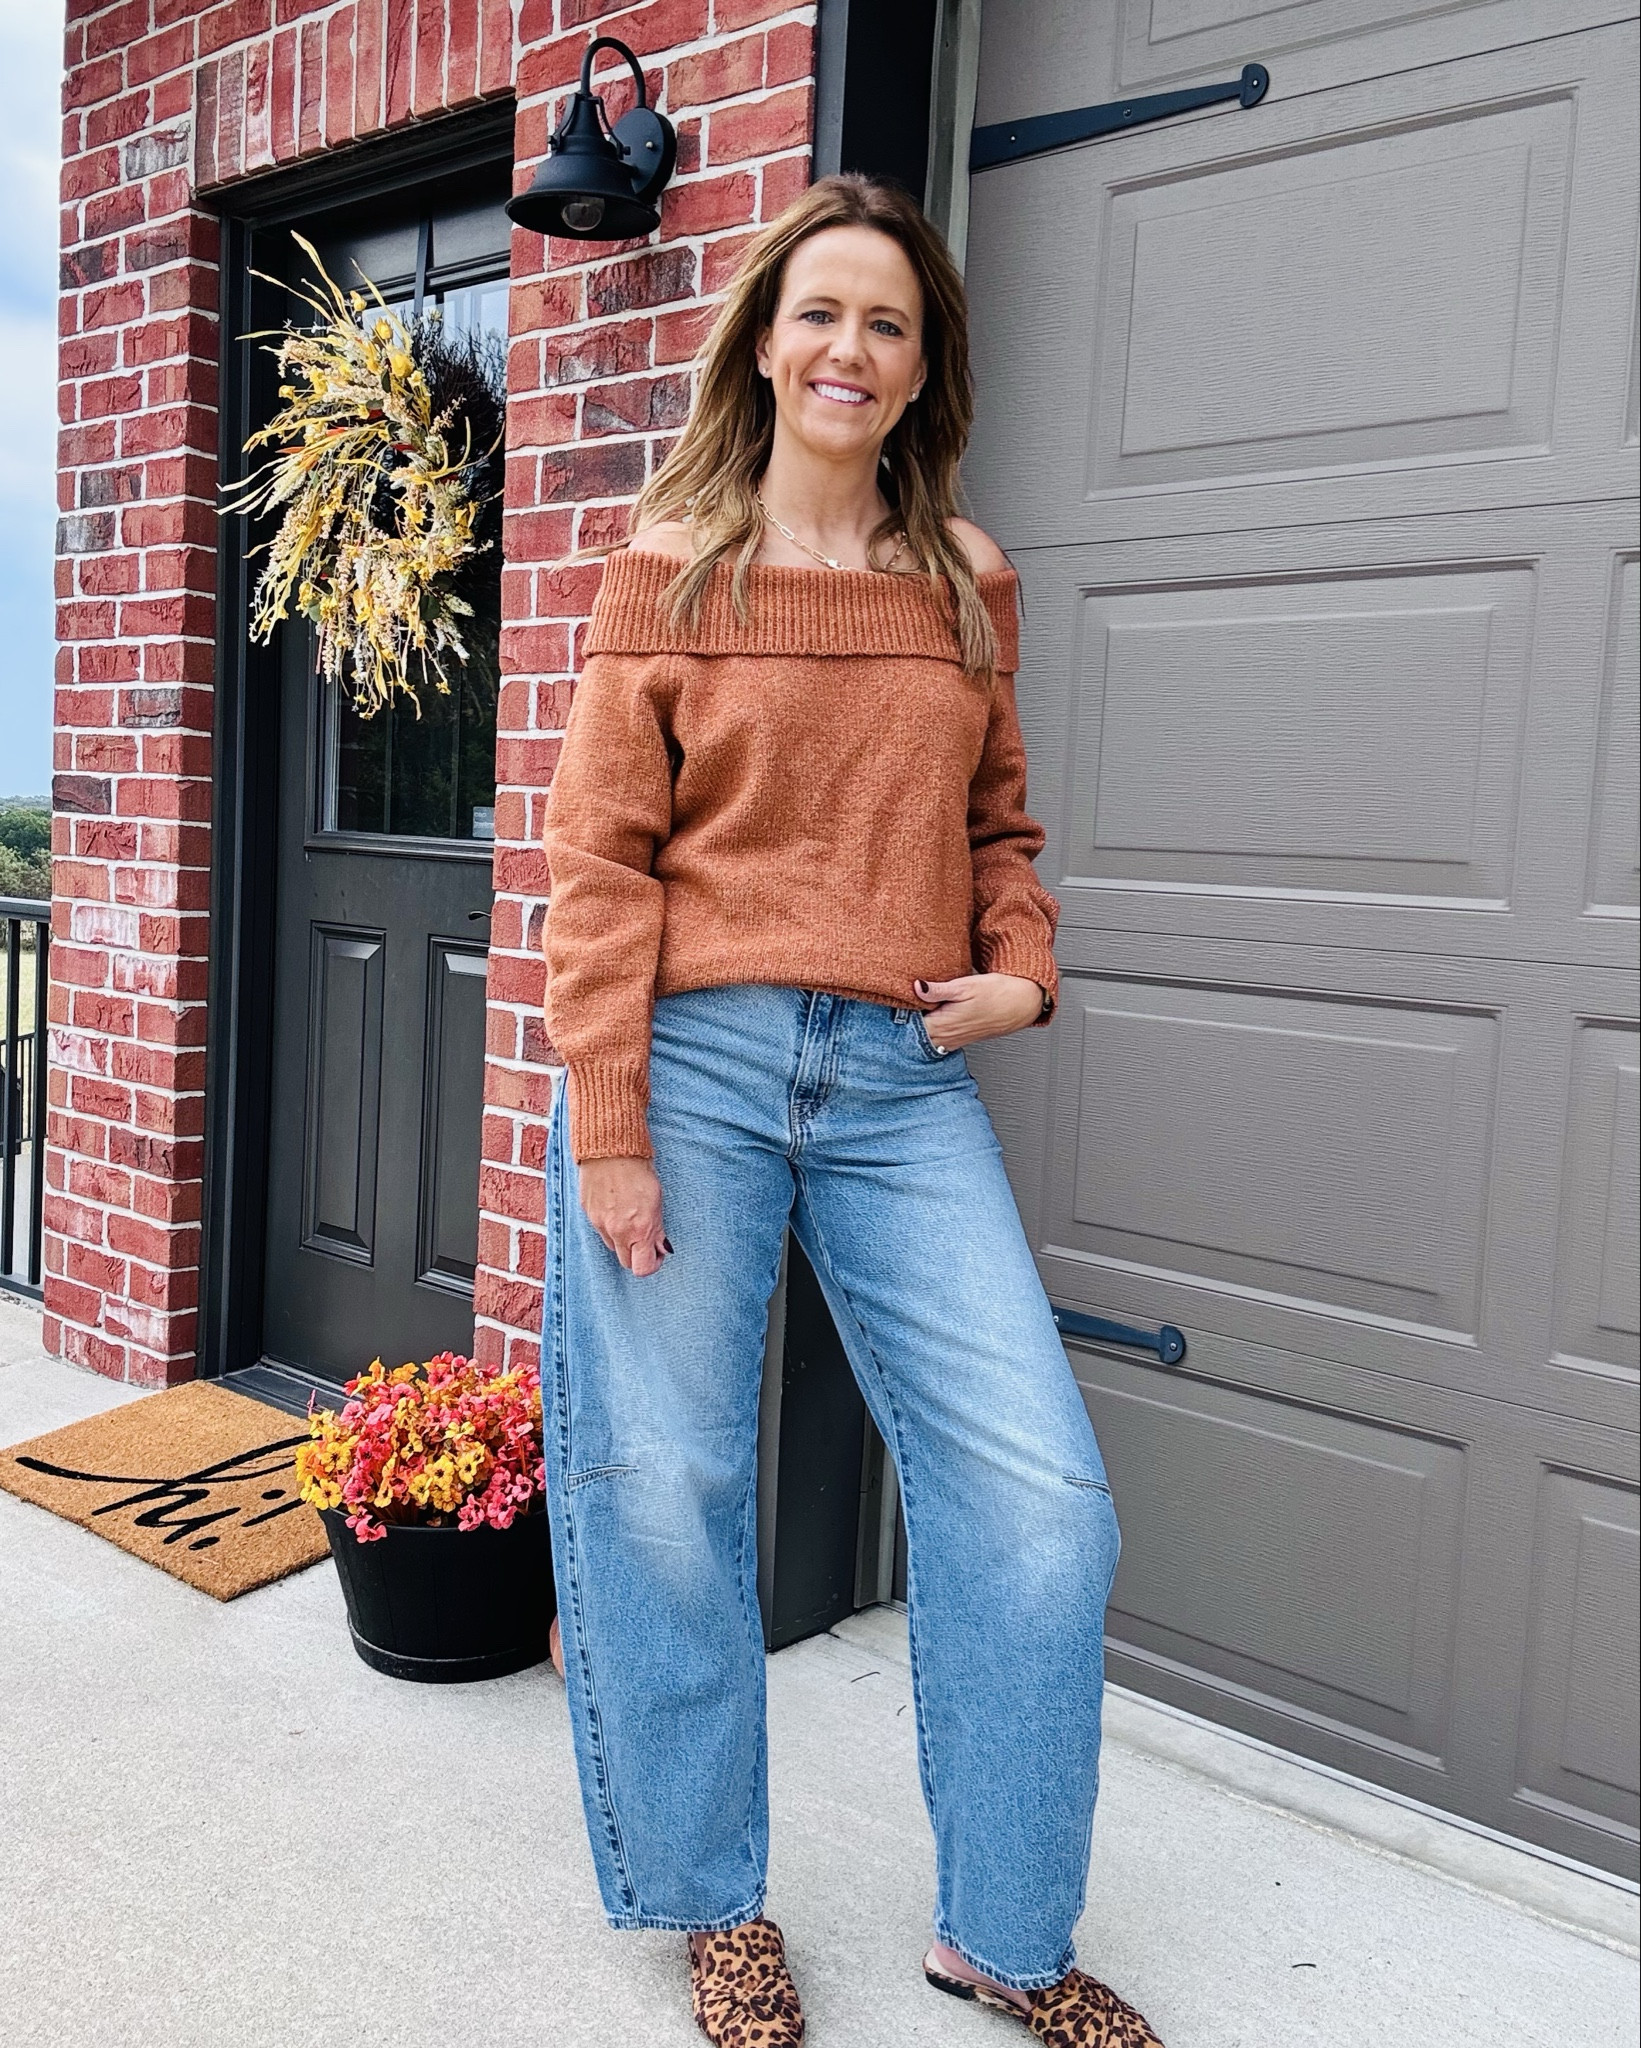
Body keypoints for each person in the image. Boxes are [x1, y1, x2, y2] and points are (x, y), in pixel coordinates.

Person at [538, 173, 1163, 2048]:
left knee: (1042, 1503)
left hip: (901, 1080)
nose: (849, 349)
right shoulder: (666, 565)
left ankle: (1002, 1934)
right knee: (663, 1488)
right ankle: (710, 1900)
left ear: (919, 369)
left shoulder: (969, 580)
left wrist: (1026, 968)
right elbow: (595, 866)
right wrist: (612, 1124)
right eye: (821, 313)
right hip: (701, 1064)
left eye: (887, 323)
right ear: (765, 338)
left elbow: (1002, 831)